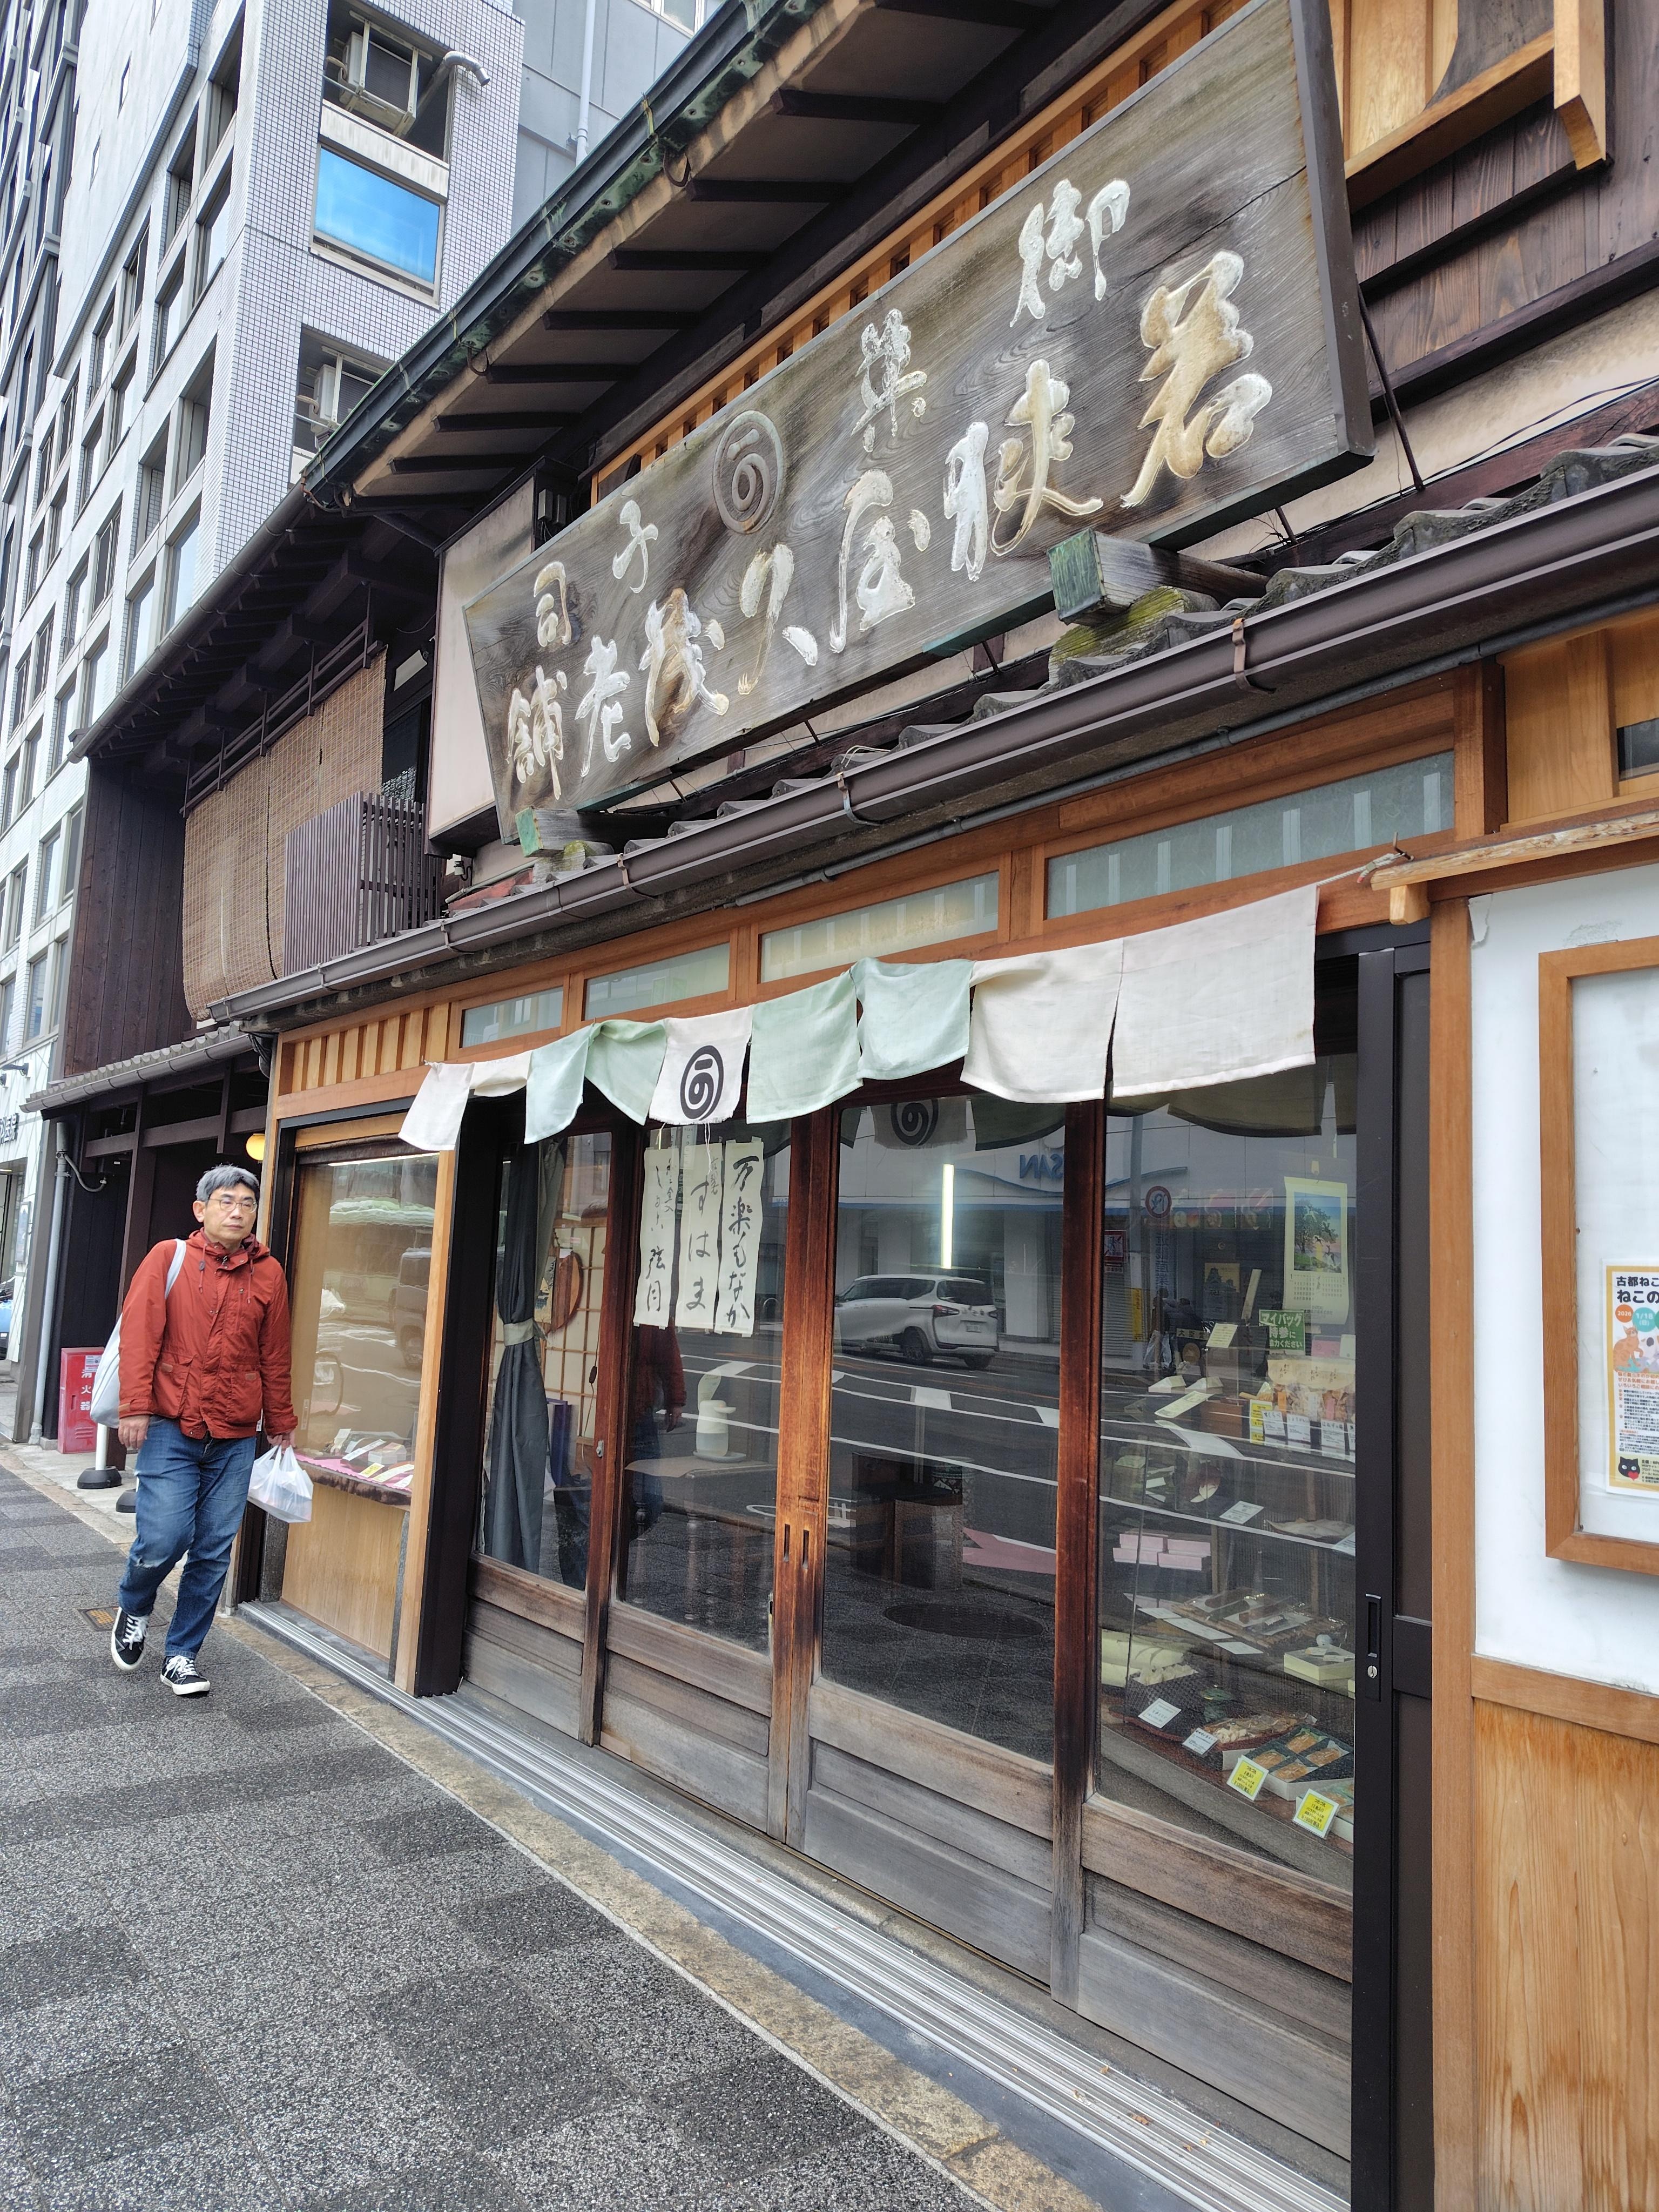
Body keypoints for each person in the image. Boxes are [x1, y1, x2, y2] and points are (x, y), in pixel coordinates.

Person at [108, 1165, 297, 1696]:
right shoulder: (168, 1259)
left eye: (247, 1203)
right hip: (171, 1422)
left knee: (214, 1549)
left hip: (235, 1431)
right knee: (165, 1537)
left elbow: (275, 1354)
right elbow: (140, 1338)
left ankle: (183, 1654)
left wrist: (280, 1421)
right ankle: (136, 1601)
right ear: (201, 1209)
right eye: (226, 1201)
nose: (237, 1211)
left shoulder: (269, 1274)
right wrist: (134, 1407)